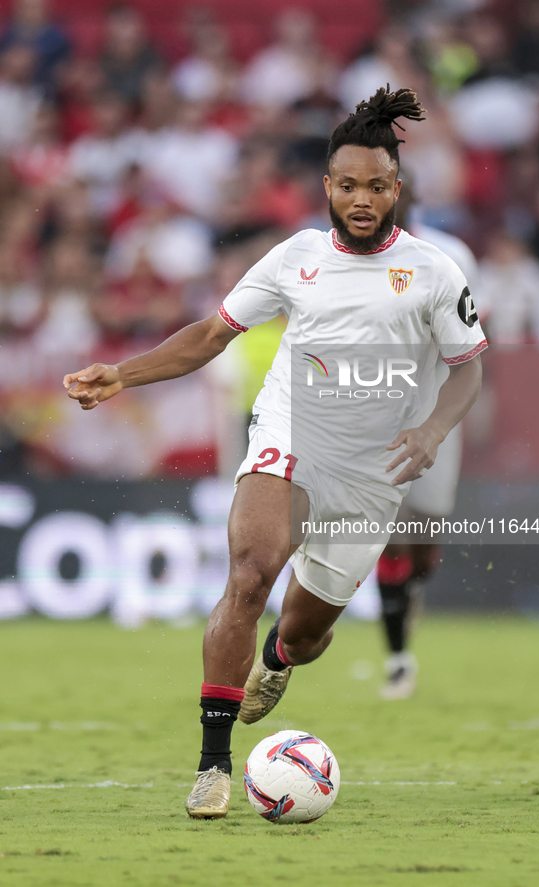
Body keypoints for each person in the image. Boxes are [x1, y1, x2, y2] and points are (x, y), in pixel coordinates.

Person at [63, 86, 487, 820]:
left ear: (396, 189)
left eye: (376, 186)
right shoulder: (295, 257)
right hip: (289, 430)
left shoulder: (432, 271)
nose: (361, 199)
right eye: (347, 184)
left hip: (373, 468)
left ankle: (279, 661)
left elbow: (469, 365)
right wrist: (121, 373)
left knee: (305, 629)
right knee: (250, 571)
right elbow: (210, 333)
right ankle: (212, 763)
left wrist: (431, 431)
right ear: (327, 186)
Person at [374, 172, 481, 700]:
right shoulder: (344, 257)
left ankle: (412, 587)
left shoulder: (451, 254)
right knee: (388, 533)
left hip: (438, 410)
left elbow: (477, 336)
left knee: (425, 533)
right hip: (375, 415)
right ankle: (397, 657)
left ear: (410, 197)